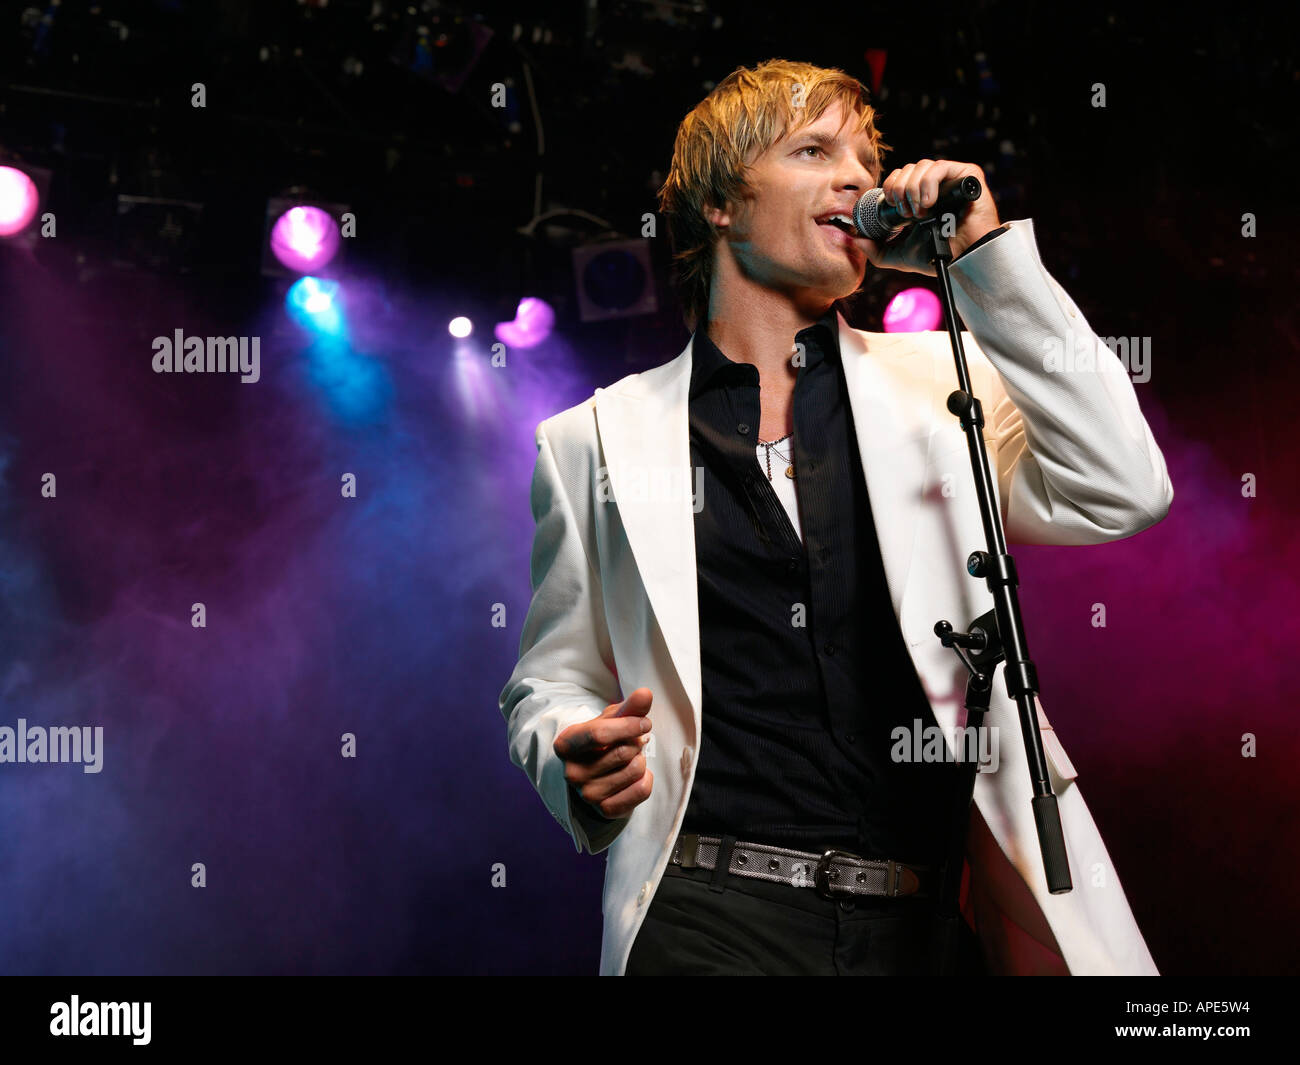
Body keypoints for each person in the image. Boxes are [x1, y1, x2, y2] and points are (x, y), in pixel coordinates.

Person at [499, 58, 1172, 975]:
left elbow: (1123, 486)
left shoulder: (945, 380)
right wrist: (570, 754)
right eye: (813, 150)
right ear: (719, 205)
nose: (857, 177)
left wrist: (984, 258)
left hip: (924, 920)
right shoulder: (595, 439)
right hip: (707, 913)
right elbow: (552, 676)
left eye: (866, 156)